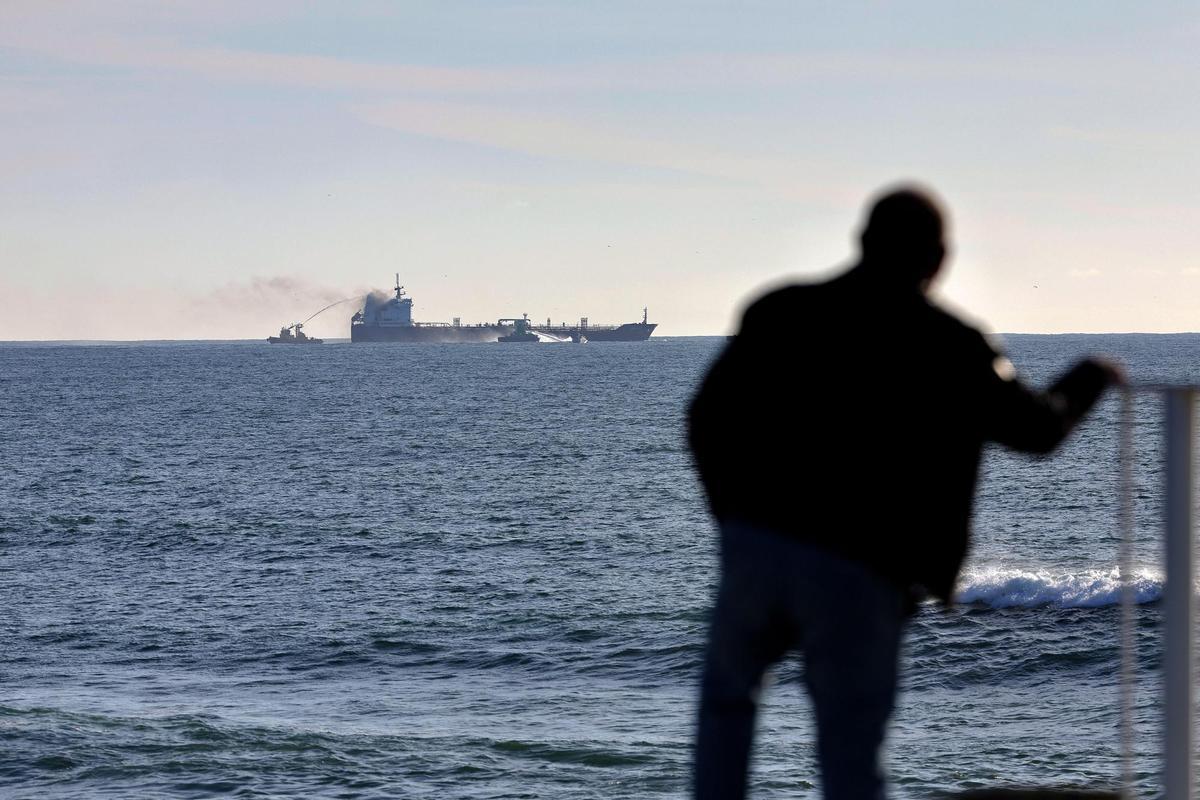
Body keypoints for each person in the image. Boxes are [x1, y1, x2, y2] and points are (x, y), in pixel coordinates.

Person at [687, 185, 1120, 800]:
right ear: (938, 259)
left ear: (861, 242)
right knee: (848, 743)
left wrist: (732, 519)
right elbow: (1036, 430)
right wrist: (1091, 376)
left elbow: (706, 418)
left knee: (727, 707)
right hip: (862, 565)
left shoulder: (778, 310)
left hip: (759, 547)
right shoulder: (952, 342)